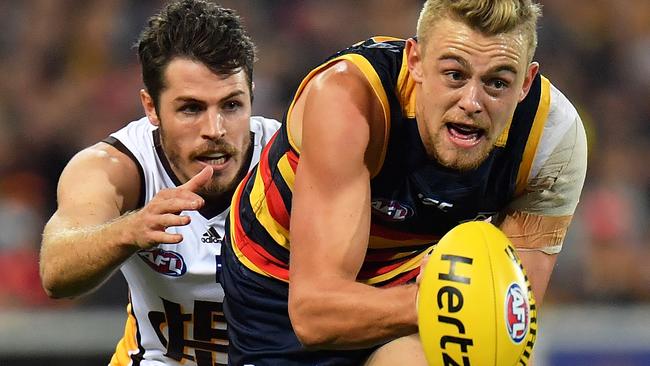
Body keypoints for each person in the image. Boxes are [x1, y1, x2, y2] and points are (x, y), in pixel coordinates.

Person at [221, 0, 588, 365]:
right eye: (454, 75)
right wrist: (454, 300)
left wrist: (468, 307)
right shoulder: (348, 99)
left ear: (526, 82)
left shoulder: (552, 143)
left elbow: (507, 330)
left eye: (497, 82)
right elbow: (314, 314)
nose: (472, 102)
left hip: (417, 284)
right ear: (415, 61)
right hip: (276, 287)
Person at [38, 1, 280, 365]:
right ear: (151, 107)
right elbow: (56, 272)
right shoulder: (116, 166)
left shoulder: (291, 161)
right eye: (191, 109)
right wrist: (131, 229)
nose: (214, 131)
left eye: (231, 105)